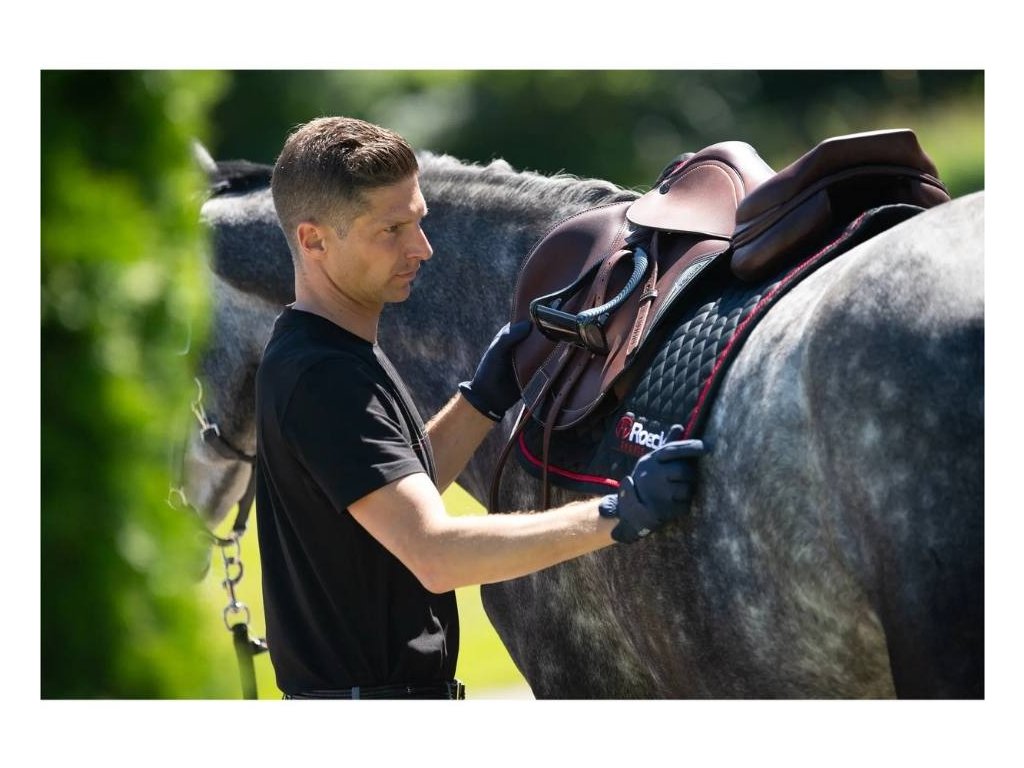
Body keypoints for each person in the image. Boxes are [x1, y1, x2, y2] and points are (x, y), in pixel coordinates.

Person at [255, 116, 705, 699]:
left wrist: (483, 398)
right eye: (391, 229)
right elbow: (434, 553)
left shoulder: (330, 351)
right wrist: (617, 513)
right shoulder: (322, 377)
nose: (422, 248)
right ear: (314, 240)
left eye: (418, 220)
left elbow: (398, 491)